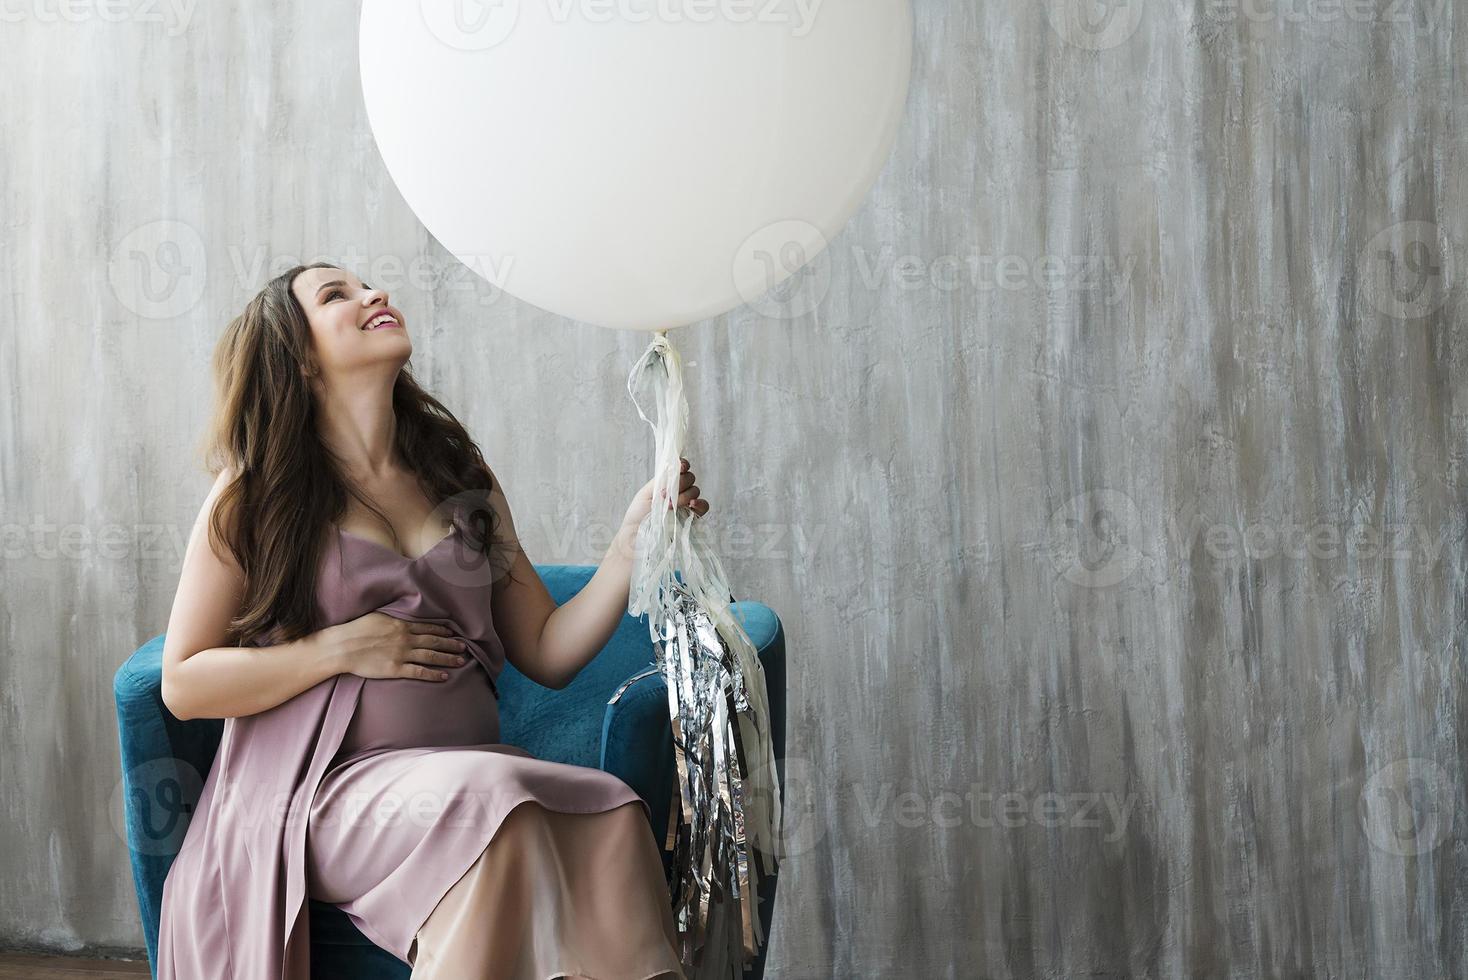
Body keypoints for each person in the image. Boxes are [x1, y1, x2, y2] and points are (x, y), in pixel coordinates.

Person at [155, 261, 707, 979]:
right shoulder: (254, 494)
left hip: (464, 779)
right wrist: (339, 648)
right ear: (297, 357)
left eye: (366, 285)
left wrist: (629, 544)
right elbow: (183, 682)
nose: (372, 295)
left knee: (606, 809)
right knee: (496, 810)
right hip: (321, 794)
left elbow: (547, 649)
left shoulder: (458, 473)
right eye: (336, 296)